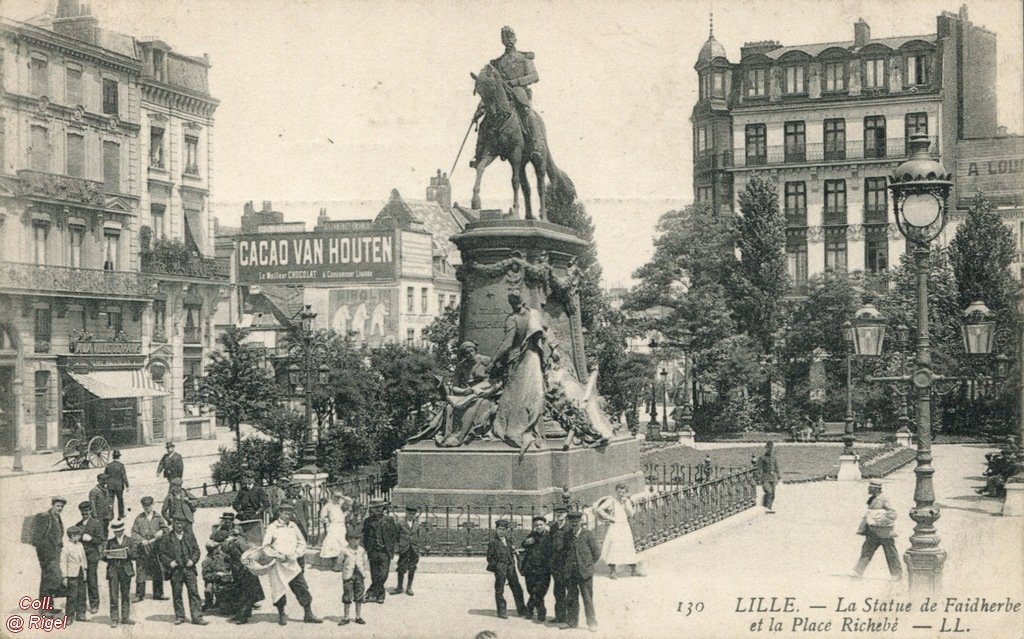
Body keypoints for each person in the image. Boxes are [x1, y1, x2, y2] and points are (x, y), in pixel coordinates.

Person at [489, 289, 547, 452]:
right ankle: (532, 426)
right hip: (534, 357)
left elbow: (507, 344)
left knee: (515, 395)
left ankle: (513, 429)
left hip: (519, 360)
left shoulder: (512, 320)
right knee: (533, 393)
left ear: (512, 304)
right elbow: (545, 331)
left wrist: (493, 361)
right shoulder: (533, 314)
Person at [262, 502, 322, 625]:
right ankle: (282, 614)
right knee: (279, 590)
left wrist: (295, 554)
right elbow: (265, 547)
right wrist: (278, 555)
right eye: (286, 513)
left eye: (290, 513)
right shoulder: (273, 527)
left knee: (302, 587)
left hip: (292, 563)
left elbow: (302, 543)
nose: (288, 515)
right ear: (280, 513)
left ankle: (308, 613)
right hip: (278, 564)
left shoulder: (293, 526)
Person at [158, 517, 208, 625]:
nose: (179, 526)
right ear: (173, 524)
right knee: (177, 594)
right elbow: (161, 554)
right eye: (177, 523)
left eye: (181, 524)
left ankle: (197, 617)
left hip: (189, 569)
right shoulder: (167, 538)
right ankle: (180, 616)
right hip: (176, 571)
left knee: (194, 593)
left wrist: (192, 560)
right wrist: (170, 562)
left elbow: (196, 550)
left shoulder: (189, 536)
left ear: (184, 525)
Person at [850, 480, 902, 582]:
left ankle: (897, 574)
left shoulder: (883, 499)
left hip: (884, 532)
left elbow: (892, 513)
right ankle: (858, 571)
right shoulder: (873, 499)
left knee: (890, 553)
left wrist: (880, 520)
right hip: (872, 531)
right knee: (866, 550)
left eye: (871, 487)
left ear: (876, 489)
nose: (868, 489)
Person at [560, 511, 599, 631]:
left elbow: (596, 553)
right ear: (569, 522)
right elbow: (564, 552)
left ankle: (592, 623)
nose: (574, 524)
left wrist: (588, 566)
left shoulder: (588, 534)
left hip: (584, 572)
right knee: (571, 597)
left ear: (581, 522)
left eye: (576, 522)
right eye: (572, 522)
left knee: (587, 598)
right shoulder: (567, 536)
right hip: (571, 572)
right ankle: (572, 622)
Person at [594, 484, 642, 578]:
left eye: (623, 492)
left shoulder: (626, 501)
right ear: (616, 491)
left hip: (624, 526)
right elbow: (599, 509)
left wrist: (626, 504)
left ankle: (633, 569)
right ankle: (613, 571)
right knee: (614, 547)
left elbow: (631, 514)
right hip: (615, 525)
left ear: (625, 492)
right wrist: (609, 517)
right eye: (619, 492)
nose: (621, 494)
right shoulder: (611, 501)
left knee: (628, 546)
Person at [221, 523, 264, 625]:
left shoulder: (241, 541)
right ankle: (243, 613)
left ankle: (243, 616)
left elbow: (249, 554)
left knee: (246, 594)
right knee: (242, 593)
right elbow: (225, 550)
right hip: (238, 571)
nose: (233, 532)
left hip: (246, 571)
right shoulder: (232, 542)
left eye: (235, 531)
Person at [486, 519, 527, 619]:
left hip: (510, 568)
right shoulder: (493, 542)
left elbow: (511, 552)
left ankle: (522, 610)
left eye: (503, 529)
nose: (501, 531)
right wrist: (497, 567)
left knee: (517, 588)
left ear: (506, 530)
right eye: (499, 529)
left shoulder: (508, 541)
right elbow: (489, 557)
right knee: (500, 590)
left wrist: (512, 563)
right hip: (500, 568)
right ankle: (502, 611)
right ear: (496, 529)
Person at [32, 496, 66, 615]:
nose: (60, 508)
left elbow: (58, 534)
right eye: (58, 506)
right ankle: (44, 609)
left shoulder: (57, 517)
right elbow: (38, 538)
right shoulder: (45, 517)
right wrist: (45, 555)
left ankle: (48, 607)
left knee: (49, 579)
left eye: (61, 506)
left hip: (55, 554)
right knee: (49, 580)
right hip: (47, 555)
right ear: (52, 505)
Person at [362, 498, 399, 603]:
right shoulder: (368, 521)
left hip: (384, 551)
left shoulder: (389, 520)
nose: (377, 509)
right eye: (374, 508)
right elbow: (365, 536)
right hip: (373, 550)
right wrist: (367, 548)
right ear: (371, 509)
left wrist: (391, 548)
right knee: (374, 574)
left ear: (383, 508)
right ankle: (380, 595)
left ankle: (370, 591)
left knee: (383, 574)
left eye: (379, 507)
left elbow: (394, 534)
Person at [131, 496, 167, 602]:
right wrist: (141, 540)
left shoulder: (158, 517)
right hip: (142, 549)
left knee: (157, 570)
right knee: (141, 571)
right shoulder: (139, 518)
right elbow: (134, 532)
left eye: (149, 506)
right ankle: (139, 594)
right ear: (142, 506)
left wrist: (162, 531)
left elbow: (165, 529)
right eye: (145, 506)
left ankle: (158, 593)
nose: (147, 508)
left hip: (155, 548)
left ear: (153, 505)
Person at [103, 520, 136, 628]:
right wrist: (106, 555)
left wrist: (128, 552)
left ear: (123, 530)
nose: (117, 533)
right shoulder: (110, 542)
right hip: (113, 570)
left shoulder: (130, 541)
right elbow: (103, 557)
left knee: (125, 595)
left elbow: (135, 555)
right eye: (115, 531)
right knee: (113, 595)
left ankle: (125, 617)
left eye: (119, 531)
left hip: (126, 570)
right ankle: (114, 618)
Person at [75, 501, 106, 614]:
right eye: (83, 512)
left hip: (92, 556)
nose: (85, 514)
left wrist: (91, 539)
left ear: (90, 511)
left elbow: (101, 540)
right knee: (81, 581)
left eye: (87, 511)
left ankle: (94, 604)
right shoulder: (78, 525)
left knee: (92, 580)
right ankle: (81, 604)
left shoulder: (96, 524)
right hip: (80, 557)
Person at [520, 515, 551, 621]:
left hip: (543, 569)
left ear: (545, 525)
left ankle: (535, 611)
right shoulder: (532, 534)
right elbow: (523, 544)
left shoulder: (549, 536)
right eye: (536, 525)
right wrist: (525, 542)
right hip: (530, 568)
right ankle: (534, 610)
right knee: (531, 590)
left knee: (539, 591)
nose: (538, 527)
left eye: (541, 525)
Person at [339, 530, 370, 626]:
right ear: (348, 540)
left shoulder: (361, 550)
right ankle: (346, 617)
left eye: (357, 539)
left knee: (359, 594)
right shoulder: (345, 550)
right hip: (348, 575)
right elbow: (340, 562)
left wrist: (362, 571)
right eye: (351, 539)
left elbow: (364, 562)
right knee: (347, 595)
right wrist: (345, 569)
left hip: (359, 575)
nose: (355, 541)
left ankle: (358, 616)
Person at [547, 505, 570, 625]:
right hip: (556, 565)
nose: (559, 514)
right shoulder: (554, 527)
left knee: (570, 592)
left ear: (566, 513)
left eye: (562, 512)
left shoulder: (570, 527)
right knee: (558, 591)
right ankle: (560, 616)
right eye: (557, 512)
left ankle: (569, 618)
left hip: (567, 564)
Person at [392, 505, 422, 595]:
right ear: (406, 513)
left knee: (412, 567)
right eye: (409, 513)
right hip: (404, 548)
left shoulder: (417, 523)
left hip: (414, 548)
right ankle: (399, 587)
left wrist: (418, 546)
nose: (411, 516)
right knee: (401, 567)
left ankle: (409, 587)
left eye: (413, 514)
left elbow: (418, 535)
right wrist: (398, 547)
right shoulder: (400, 523)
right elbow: (396, 535)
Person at [61, 525, 88, 624]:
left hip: (81, 573)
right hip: (72, 574)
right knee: (72, 596)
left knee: (82, 594)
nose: (79, 537)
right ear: (72, 536)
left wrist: (85, 569)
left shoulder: (80, 545)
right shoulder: (66, 547)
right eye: (78, 535)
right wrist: (64, 576)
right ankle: (69, 616)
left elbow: (83, 558)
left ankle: (81, 614)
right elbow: (63, 562)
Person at [319, 488, 349, 571]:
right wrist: (327, 523)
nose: (337, 499)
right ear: (331, 496)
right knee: (333, 545)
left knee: (342, 545)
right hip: (333, 526)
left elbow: (351, 502)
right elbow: (322, 517)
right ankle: (336, 564)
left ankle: (340, 563)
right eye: (335, 496)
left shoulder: (341, 504)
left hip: (342, 526)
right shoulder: (328, 506)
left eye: (338, 497)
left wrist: (342, 496)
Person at [755, 442, 781, 513]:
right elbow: (758, 468)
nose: (770, 450)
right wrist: (758, 477)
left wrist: (778, 476)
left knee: (773, 494)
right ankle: (766, 508)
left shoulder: (774, 458)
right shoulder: (762, 458)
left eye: (771, 448)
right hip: (765, 478)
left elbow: (776, 467)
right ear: (766, 448)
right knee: (768, 492)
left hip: (773, 478)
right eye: (768, 448)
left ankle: (769, 507)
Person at [105, 450, 129, 520]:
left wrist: (105, 484)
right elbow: (124, 476)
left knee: (110, 501)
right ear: (119, 457)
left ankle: (110, 515)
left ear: (113, 457)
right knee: (120, 500)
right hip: (119, 486)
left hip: (110, 486)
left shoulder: (108, 465)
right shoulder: (121, 465)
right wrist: (127, 485)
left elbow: (105, 476)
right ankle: (121, 514)